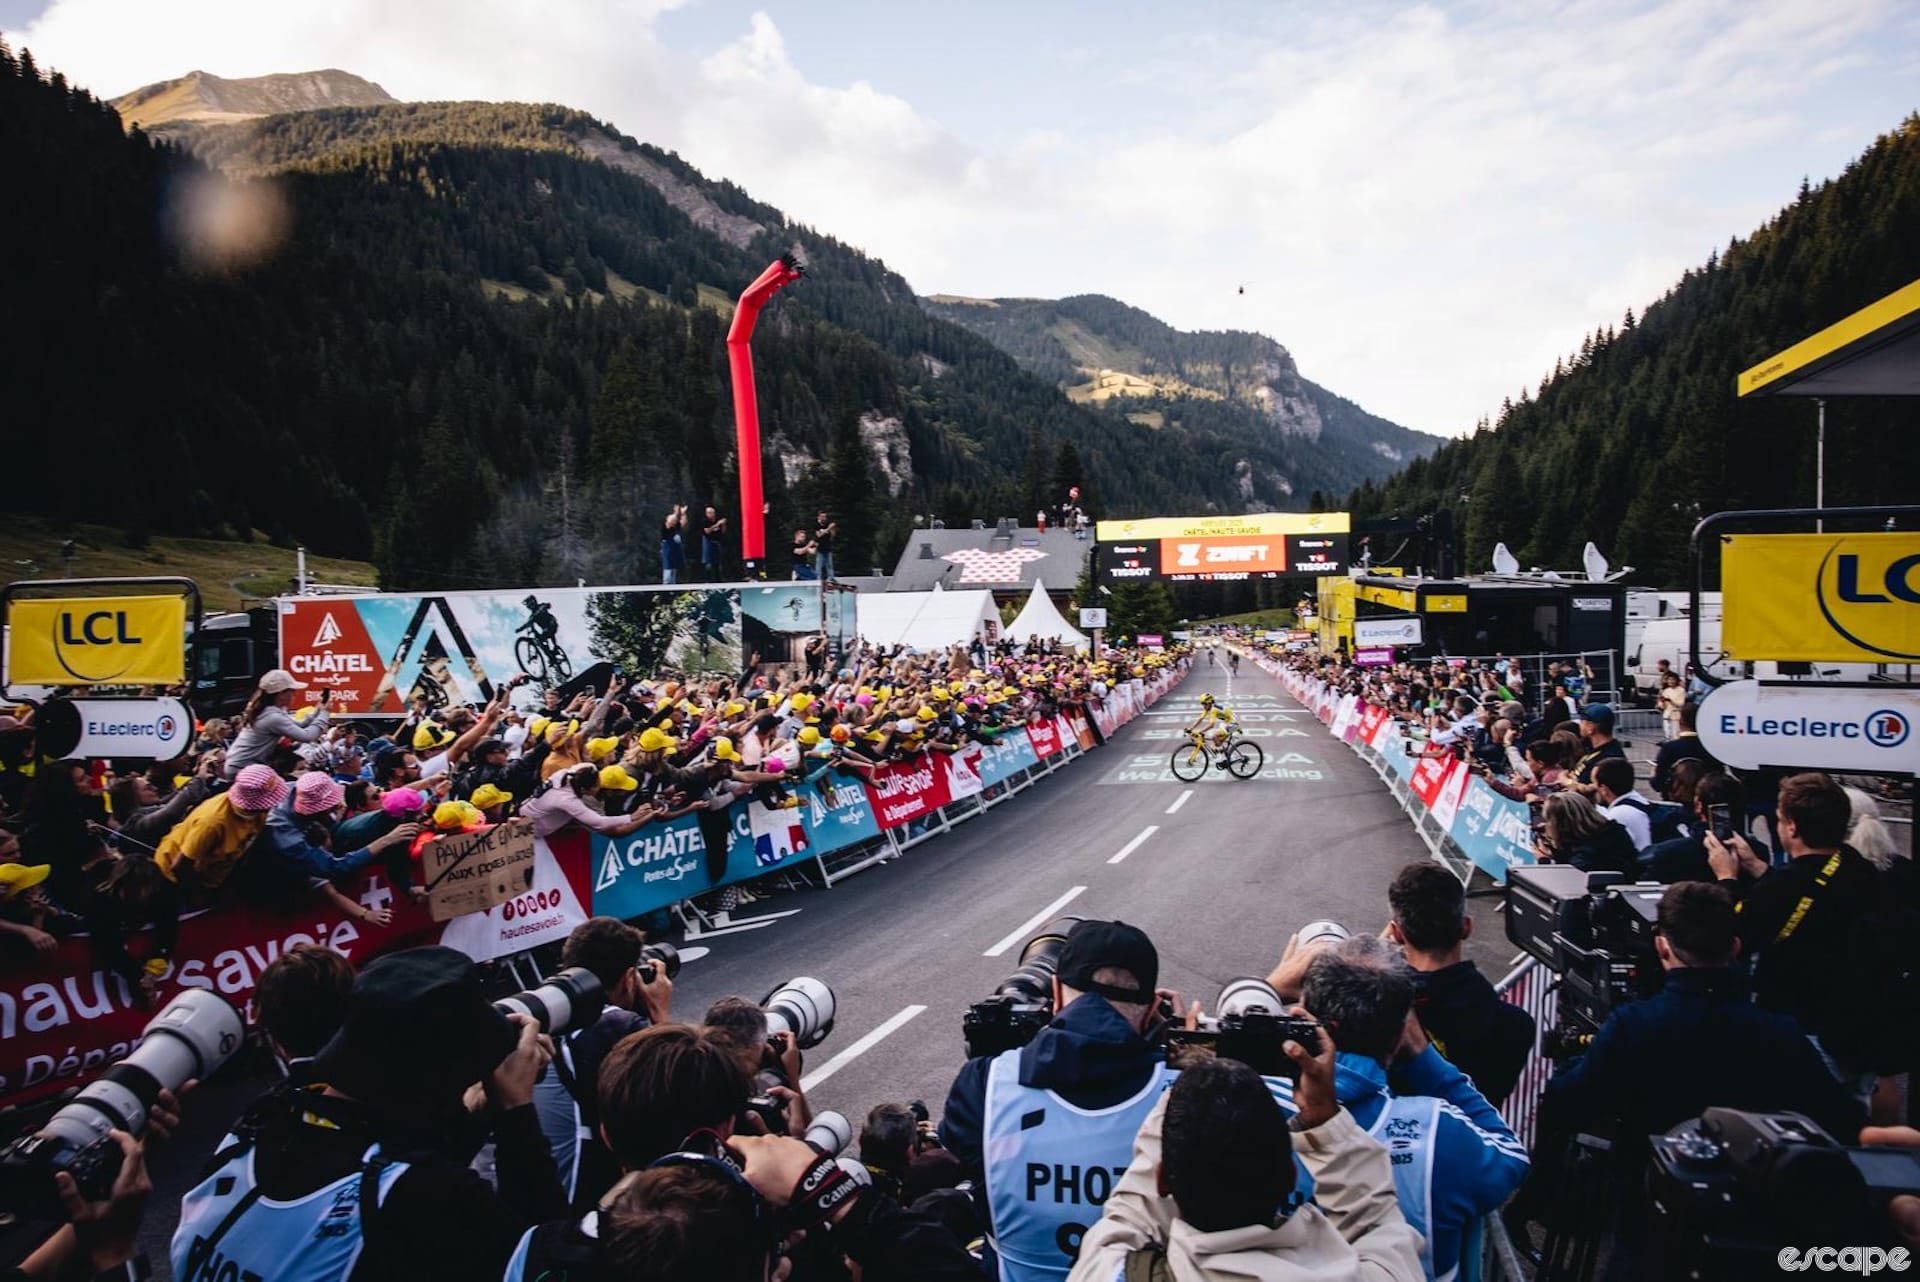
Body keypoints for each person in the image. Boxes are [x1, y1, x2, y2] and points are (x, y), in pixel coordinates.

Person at [169, 947, 566, 1282]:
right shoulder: (427, 1196)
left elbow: (384, 1153)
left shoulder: (262, 1122)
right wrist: (515, 1111)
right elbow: (549, 1263)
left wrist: (474, 1116)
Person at [1533, 883, 1865, 1275]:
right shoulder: (1778, 1033)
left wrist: (1572, 1062)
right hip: (1749, 1224)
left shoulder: (1634, 1027)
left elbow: (1566, 1102)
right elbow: (1842, 1120)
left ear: (1662, 947)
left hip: (1648, 1215)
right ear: (1735, 947)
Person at [1268, 934, 1529, 1282]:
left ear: (1302, 1014)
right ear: (1398, 1038)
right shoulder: (1439, 1133)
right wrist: (1425, 1057)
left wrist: (1265, 991)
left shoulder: (1241, 1100)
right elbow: (1512, 1157)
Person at [940, 919, 1181, 1281]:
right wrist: (1189, 1054)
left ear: (1055, 992)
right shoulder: (1189, 1098)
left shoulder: (984, 1086)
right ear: (1151, 1010)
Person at [1068, 1049, 1424, 1282]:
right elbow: (1373, 1220)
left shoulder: (1108, 1274)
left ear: (1163, 1181)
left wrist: (1183, 1090)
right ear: (1290, 1176)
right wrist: (1324, 1121)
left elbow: (1129, 1214)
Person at [1708, 772, 1893, 1089]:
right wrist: (1759, 868)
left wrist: (1726, 878)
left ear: (1792, 827)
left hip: (1802, 1028)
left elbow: (1736, 937)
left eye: (1780, 820)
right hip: (1859, 1029)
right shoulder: (1860, 870)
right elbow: (1811, 894)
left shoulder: (1784, 886)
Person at [533, 917, 675, 1210]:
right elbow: (680, 1089)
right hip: (579, 1200)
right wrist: (659, 1012)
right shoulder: (615, 1025)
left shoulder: (544, 1014)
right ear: (628, 977)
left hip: (531, 1186)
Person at [1385, 862, 1535, 1108]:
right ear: (1466, 927)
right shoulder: (1515, 1026)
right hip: (1471, 1129)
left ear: (1397, 934)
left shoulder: (1377, 1015)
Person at [153, 763, 289, 899]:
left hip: (216, 867)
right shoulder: (213, 822)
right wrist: (200, 895)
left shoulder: (257, 812)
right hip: (178, 876)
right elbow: (181, 866)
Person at [224, 669, 331, 776]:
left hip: (241, 765)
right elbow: (307, 736)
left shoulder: (271, 711)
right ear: (281, 694)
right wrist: (325, 713)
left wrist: (318, 710)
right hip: (242, 768)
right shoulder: (272, 717)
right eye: (292, 691)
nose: (295, 694)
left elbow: (299, 726)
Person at [1533, 791, 1638, 876]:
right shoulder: (1613, 831)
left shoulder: (1584, 857)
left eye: (1548, 821)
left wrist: (1544, 861)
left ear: (1561, 825)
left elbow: (1566, 882)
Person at [1650, 699, 1717, 796]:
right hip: (1705, 798)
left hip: (1675, 799)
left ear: (1680, 722)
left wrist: (1653, 774)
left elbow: (1658, 784)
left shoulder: (1669, 748)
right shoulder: (1711, 748)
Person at [1592, 757, 1653, 853]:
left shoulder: (1617, 816)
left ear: (1604, 789)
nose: (1591, 787)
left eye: (1593, 783)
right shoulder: (1639, 802)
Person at [1566, 703, 1625, 795]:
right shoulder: (1590, 747)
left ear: (1590, 727)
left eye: (1582, 721)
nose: (1579, 725)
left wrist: (1567, 782)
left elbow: (1598, 791)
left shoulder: (1610, 758)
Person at [659, 505, 687, 585]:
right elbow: (670, 520)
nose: (674, 520)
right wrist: (676, 512)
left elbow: (684, 522)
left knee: (673, 572)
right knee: (668, 571)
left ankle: (673, 587)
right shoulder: (666, 527)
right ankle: (666, 587)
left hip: (675, 551)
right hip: (668, 551)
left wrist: (683, 513)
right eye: (673, 520)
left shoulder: (676, 527)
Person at [700, 504, 727, 580]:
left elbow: (723, 532)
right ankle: (707, 580)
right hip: (708, 544)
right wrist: (717, 524)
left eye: (711, 512)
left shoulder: (717, 519)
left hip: (716, 543)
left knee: (717, 563)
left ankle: (718, 580)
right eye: (708, 513)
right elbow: (707, 531)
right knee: (708, 564)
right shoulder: (704, 521)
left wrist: (723, 525)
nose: (710, 514)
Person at [1657, 672, 1686, 740]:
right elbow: (1662, 704)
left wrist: (1670, 700)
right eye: (1669, 680)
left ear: (1677, 681)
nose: (1671, 681)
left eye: (1673, 680)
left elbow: (1681, 703)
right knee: (1667, 733)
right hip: (1667, 714)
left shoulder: (1681, 690)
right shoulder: (1666, 691)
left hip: (1676, 714)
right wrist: (1661, 703)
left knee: (1675, 734)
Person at [814, 510, 839, 581]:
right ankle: (818, 578)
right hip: (820, 548)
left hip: (827, 547)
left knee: (829, 565)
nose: (823, 518)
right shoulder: (816, 525)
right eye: (822, 516)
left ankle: (831, 577)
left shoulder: (828, 524)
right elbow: (819, 535)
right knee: (819, 565)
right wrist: (828, 528)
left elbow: (832, 536)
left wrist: (832, 529)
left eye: (824, 517)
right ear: (819, 517)